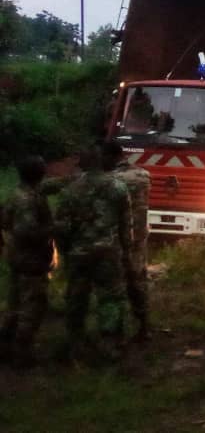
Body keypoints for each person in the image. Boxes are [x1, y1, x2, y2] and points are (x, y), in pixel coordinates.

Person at [55, 145, 132, 361]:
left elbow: (62, 227)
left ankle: (74, 344)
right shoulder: (118, 187)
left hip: (78, 253)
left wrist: (64, 251)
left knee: (76, 298)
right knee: (110, 297)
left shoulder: (71, 189)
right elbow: (126, 225)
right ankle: (109, 344)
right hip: (107, 252)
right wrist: (127, 252)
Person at [0, 156, 54, 367]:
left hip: (15, 256)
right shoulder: (29, 200)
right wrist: (53, 228)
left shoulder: (17, 193)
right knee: (33, 306)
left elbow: (5, 221)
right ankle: (23, 354)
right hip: (30, 260)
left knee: (14, 303)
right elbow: (27, 231)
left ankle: (5, 347)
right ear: (39, 174)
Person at [104, 140, 151, 342]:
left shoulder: (112, 180)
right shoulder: (142, 175)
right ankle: (143, 326)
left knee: (115, 286)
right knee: (137, 281)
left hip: (118, 239)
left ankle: (116, 332)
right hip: (139, 237)